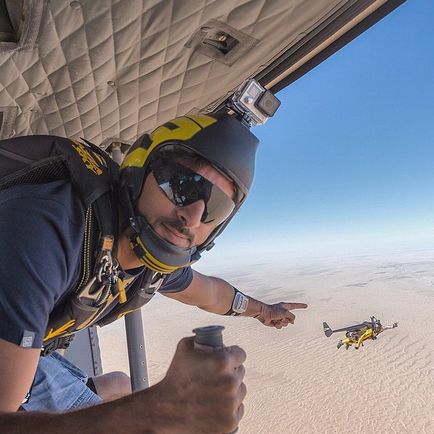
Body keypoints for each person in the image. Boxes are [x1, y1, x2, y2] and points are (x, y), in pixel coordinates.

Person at [0, 111, 307, 432]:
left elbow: (212, 294)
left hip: (29, 354)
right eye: (182, 185)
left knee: (121, 385)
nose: (193, 214)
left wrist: (263, 311)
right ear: (139, 170)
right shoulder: (45, 234)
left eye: (215, 207)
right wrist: (157, 411)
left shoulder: (146, 255)